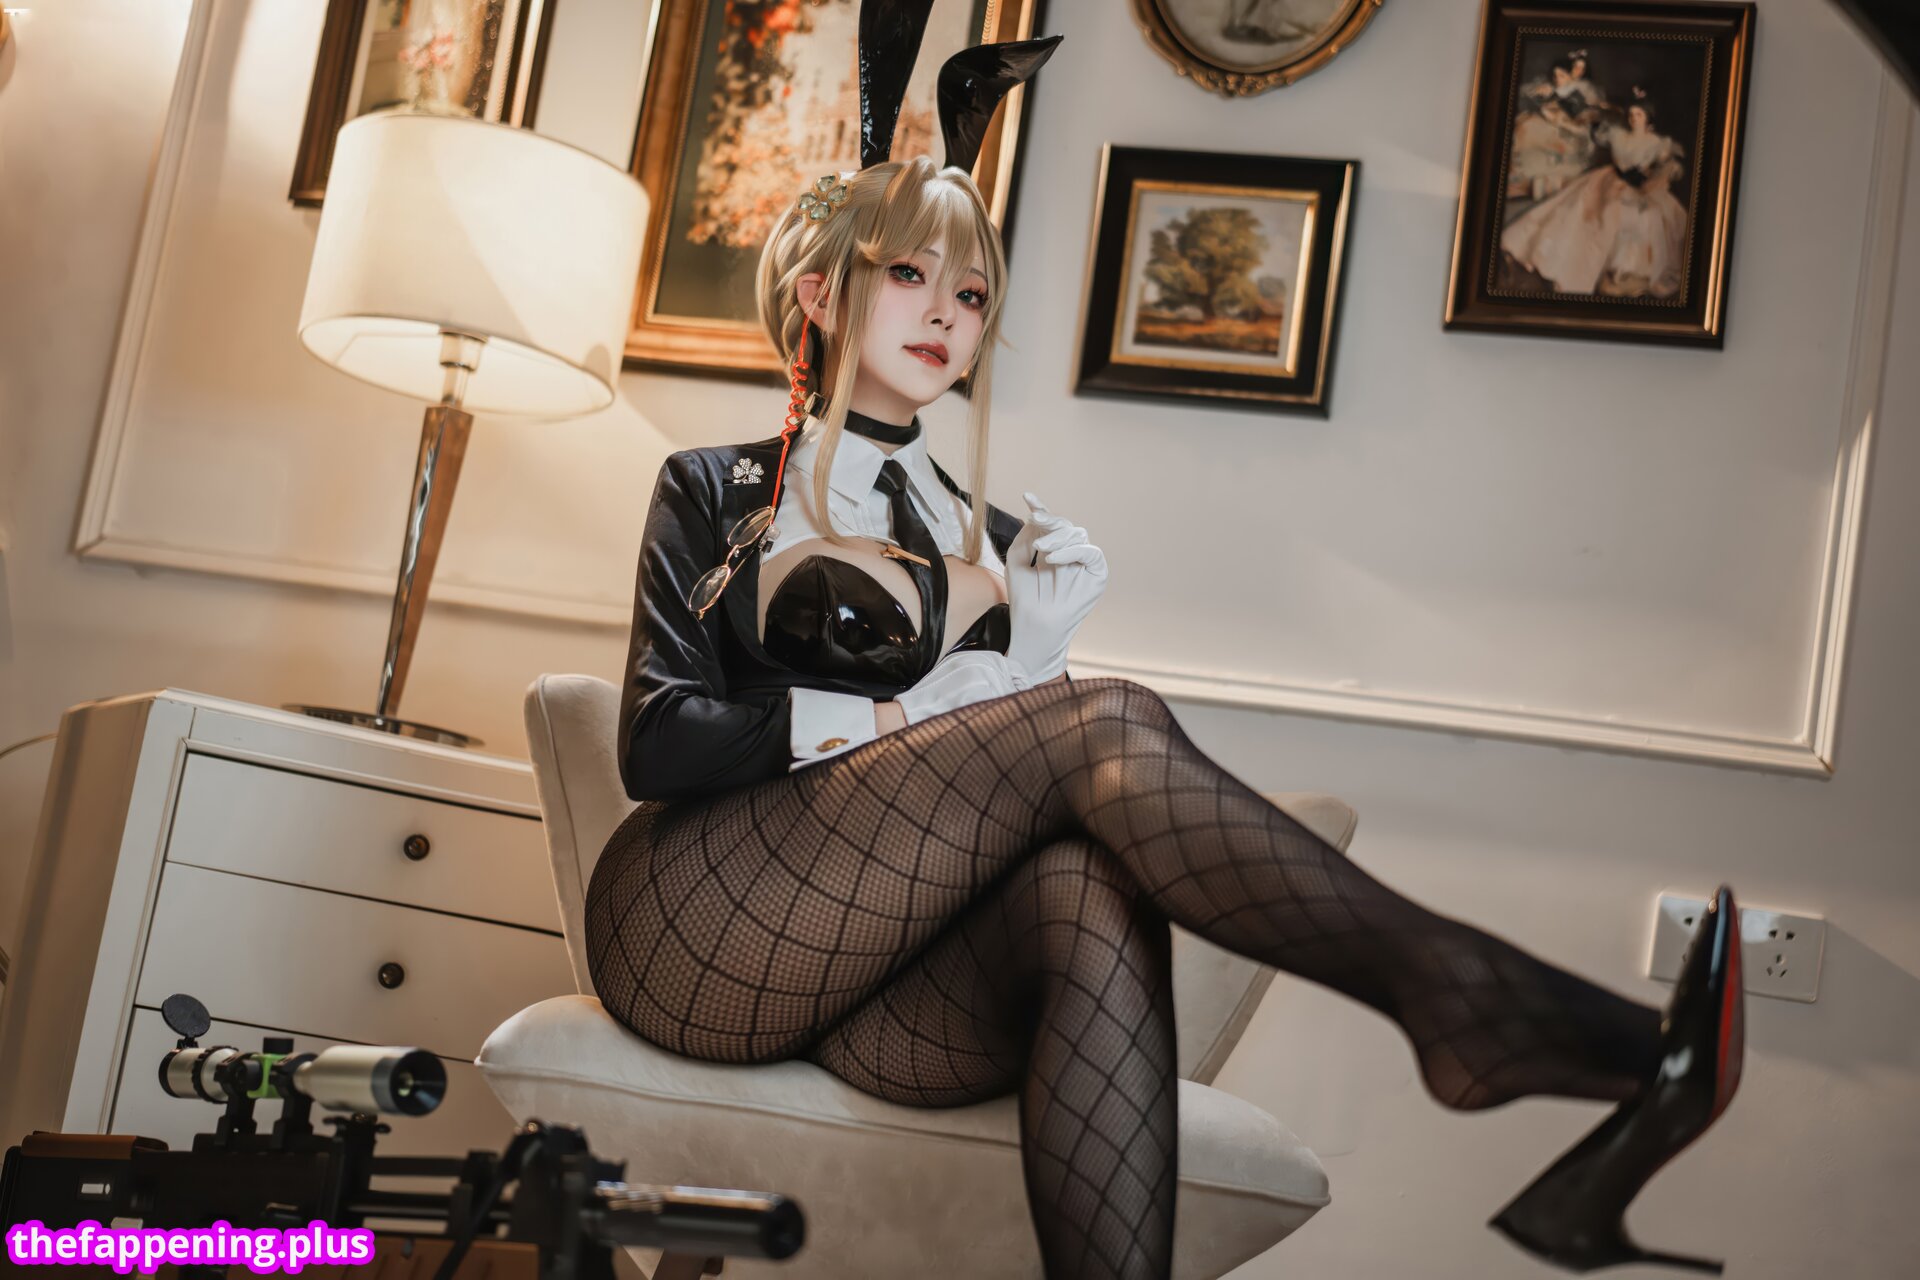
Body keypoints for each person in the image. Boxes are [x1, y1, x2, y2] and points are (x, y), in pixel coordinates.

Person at [585, 6, 1746, 1277]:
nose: (947, 314)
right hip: (706, 928)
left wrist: (1030, 650)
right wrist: (904, 715)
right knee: (1109, 718)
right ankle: (1470, 1005)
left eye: (970, 293)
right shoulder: (713, 487)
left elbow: (1004, 795)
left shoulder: (994, 536)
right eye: (909, 275)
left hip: (891, 983)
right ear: (820, 292)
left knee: (1084, 894)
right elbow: (658, 738)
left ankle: (1472, 1040)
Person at [1502, 88, 1691, 298]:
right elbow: (1596, 129)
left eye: (1639, 115)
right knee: (1584, 210)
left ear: (1648, 119)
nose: (1633, 119)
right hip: (1610, 181)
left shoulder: (1656, 143)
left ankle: (1626, 274)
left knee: (1642, 216)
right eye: (1631, 114)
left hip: (1639, 189)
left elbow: (1668, 167)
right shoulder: (1619, 135)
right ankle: (1564, 264)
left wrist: (1649, 178)